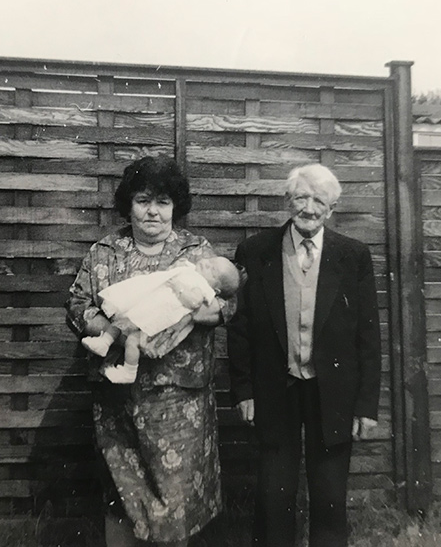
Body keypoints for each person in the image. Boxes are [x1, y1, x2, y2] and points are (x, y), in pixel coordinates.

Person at [66, 156, 235, 547]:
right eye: (143, 200)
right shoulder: (105, 251)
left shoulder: (197, 251)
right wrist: (112, 329)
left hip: (179, 406)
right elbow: (76, 304)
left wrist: (199, 313)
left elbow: (227, 305)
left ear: (176, 206)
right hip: (118, 402)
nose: (153, 211)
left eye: (162, 201)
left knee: (173, 503)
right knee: (122, 498)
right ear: (129, 204)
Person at [226, 163, 381, 547]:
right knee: (273, 492)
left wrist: (366, 405)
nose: (309, 208)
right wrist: (244, 390)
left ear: (332, 209)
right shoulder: (255, 250)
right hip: (275, 388)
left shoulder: (353, 256)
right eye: (301, 198)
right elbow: (240, 328)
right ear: (287, 201)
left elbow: (368, 335)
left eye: (319, 201)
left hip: (333, 391)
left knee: (329, 494)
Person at [82, 254, 240, 383]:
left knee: (132, 340)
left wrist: (179, 289)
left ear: (216, 288)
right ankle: (104, 342)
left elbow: (195, 301)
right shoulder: (191, 269)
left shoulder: (203, 287)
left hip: (161, 320)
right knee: (120, 322)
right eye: (210, 260)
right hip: (147, 307)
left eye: (212, 271)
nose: (206, 264)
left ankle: (129, 372)